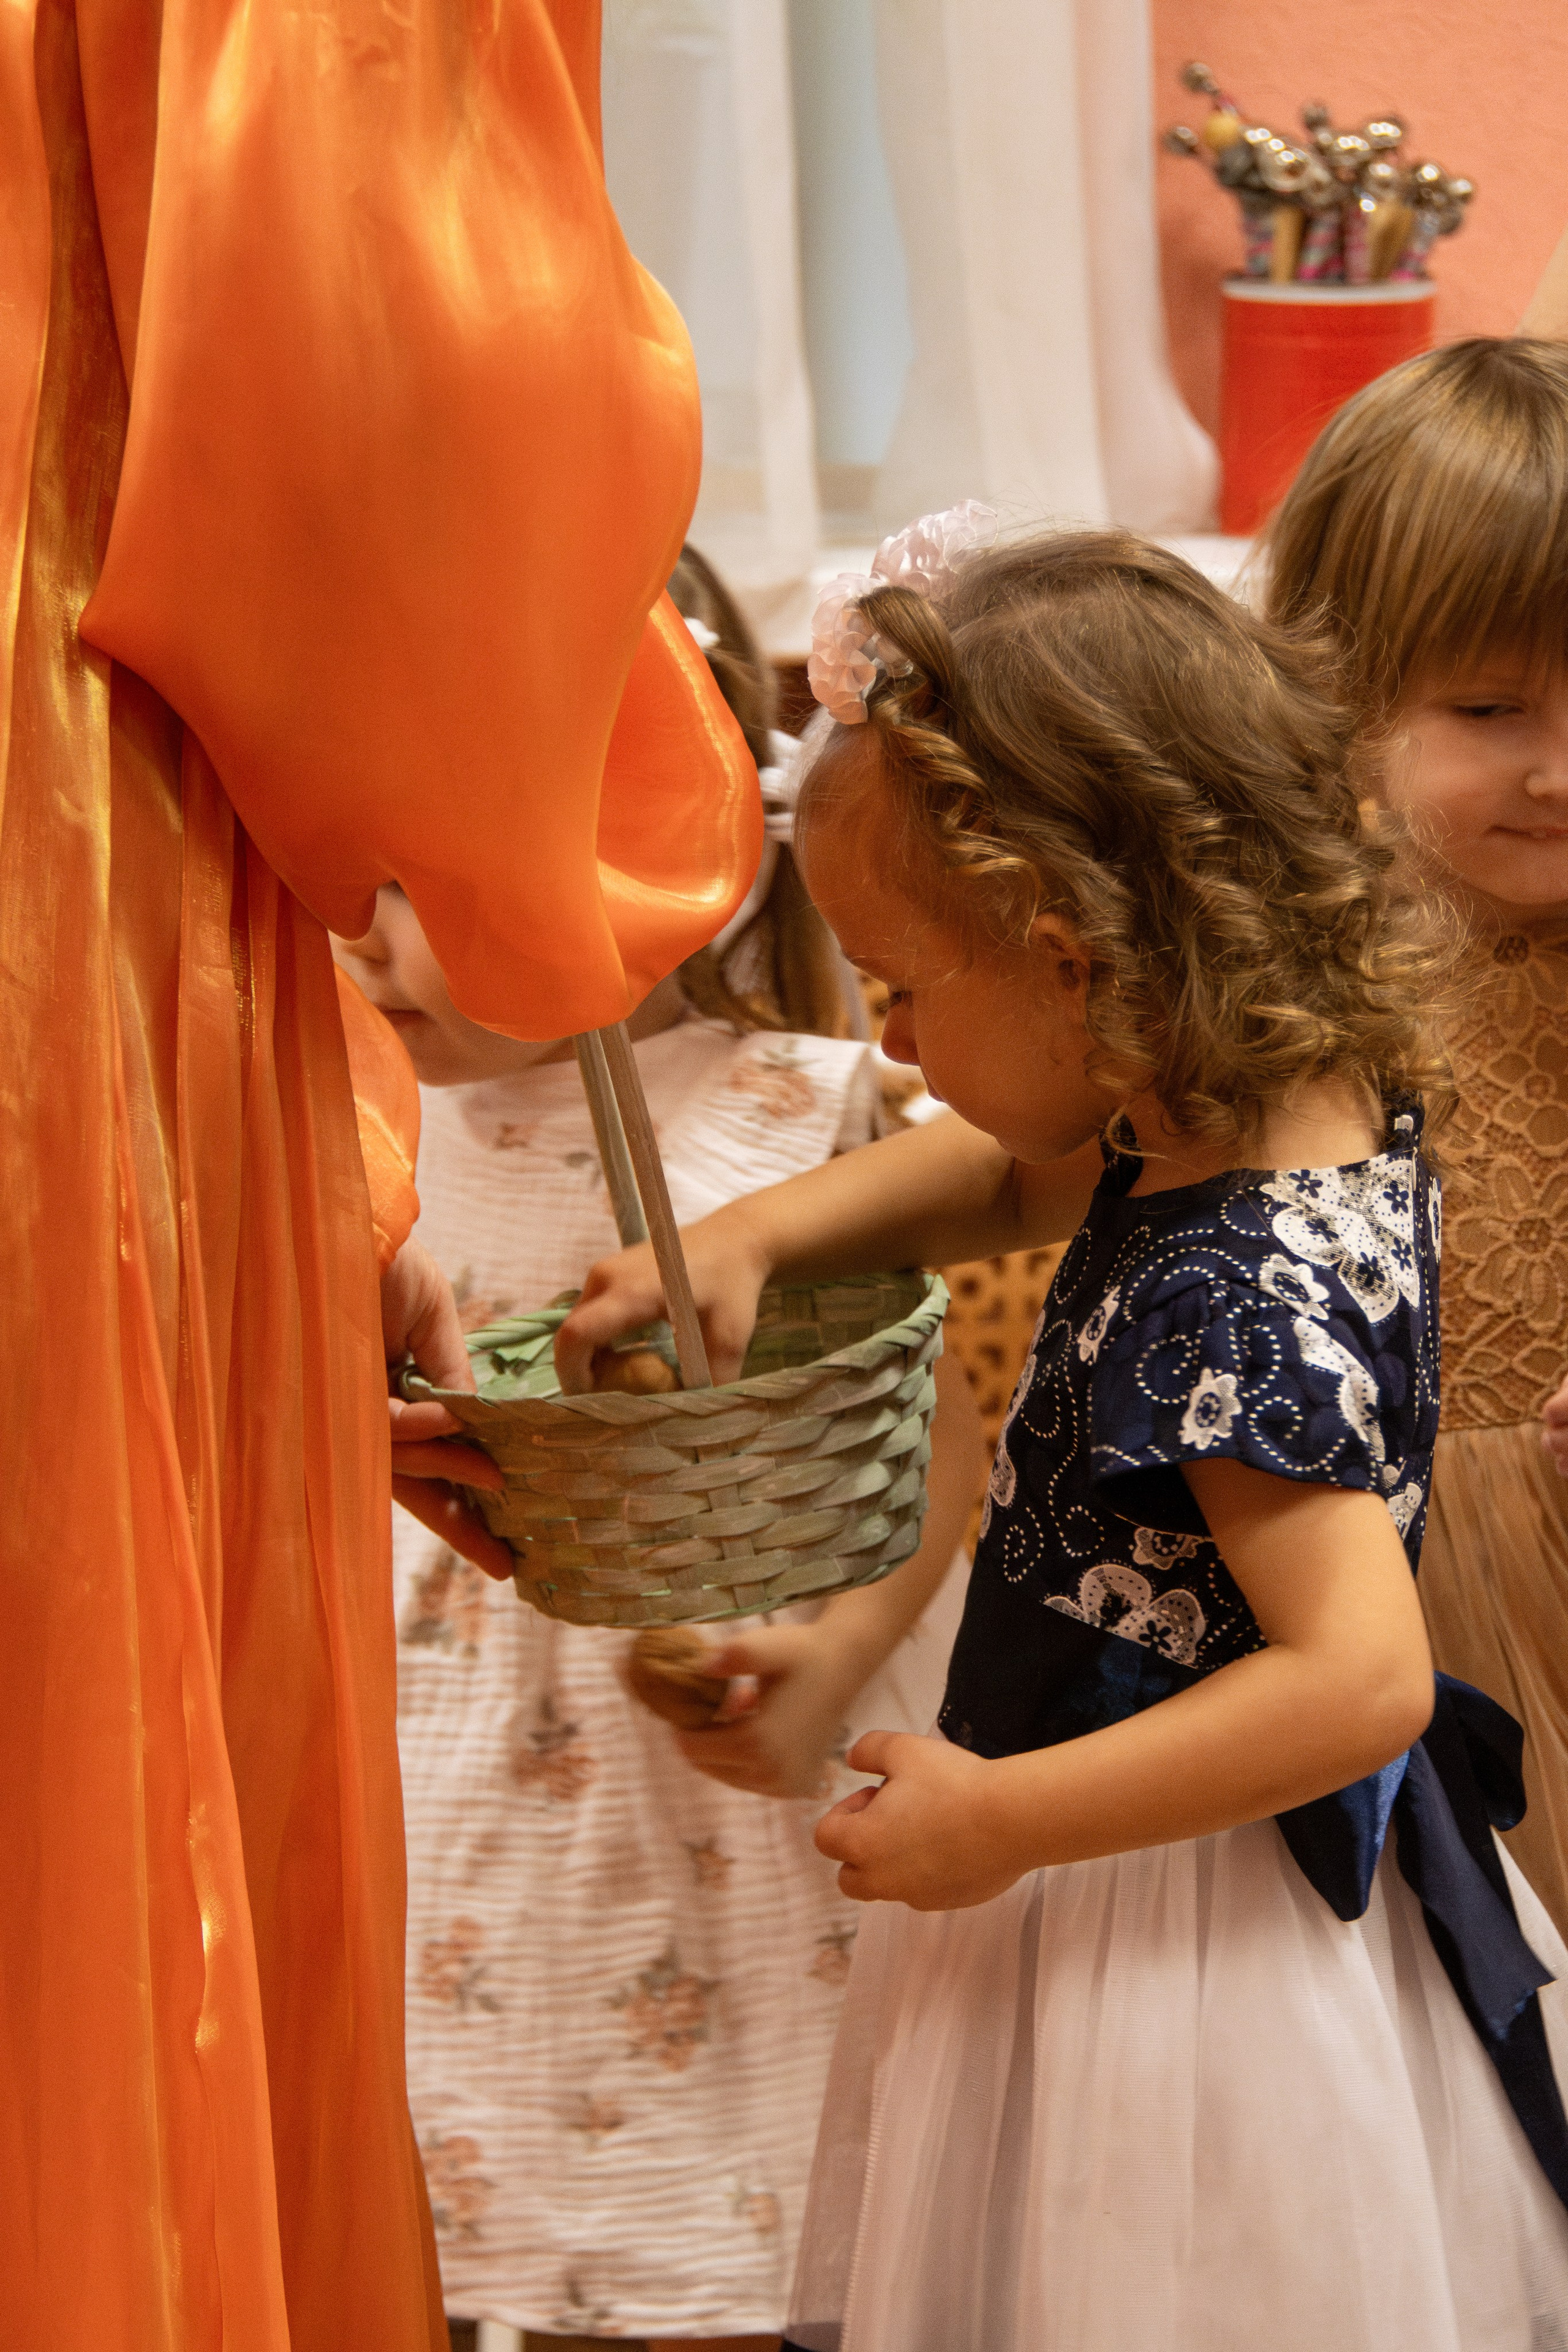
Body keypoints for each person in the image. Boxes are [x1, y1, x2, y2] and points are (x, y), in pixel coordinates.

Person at [558, 520, 1568, 2351]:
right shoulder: (1265, 1097)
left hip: (1173, 1942)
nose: (900, 1038)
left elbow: (1362, 1683)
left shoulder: (1227, 1295)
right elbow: (1028, 1162)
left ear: (1069, 957)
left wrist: (1004, 1822)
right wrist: (767, 1231)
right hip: (1151, 1877)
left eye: (909, 990)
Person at [333, 548, 984, 2352]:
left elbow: (947, 1430)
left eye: (430, 879)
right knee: (427, 2231)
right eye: (347, 870)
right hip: (434, 1811)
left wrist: (834, 1648)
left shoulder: (815, 1121)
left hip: (713, 1830)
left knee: (722, 2246)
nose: (368, 935)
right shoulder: (340, 1142)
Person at [1264, 337, 1568, 1937]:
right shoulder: (1304, 968)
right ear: (1342, 689)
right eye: (1487, 706)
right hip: (1382, 1608)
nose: (1561, 767)